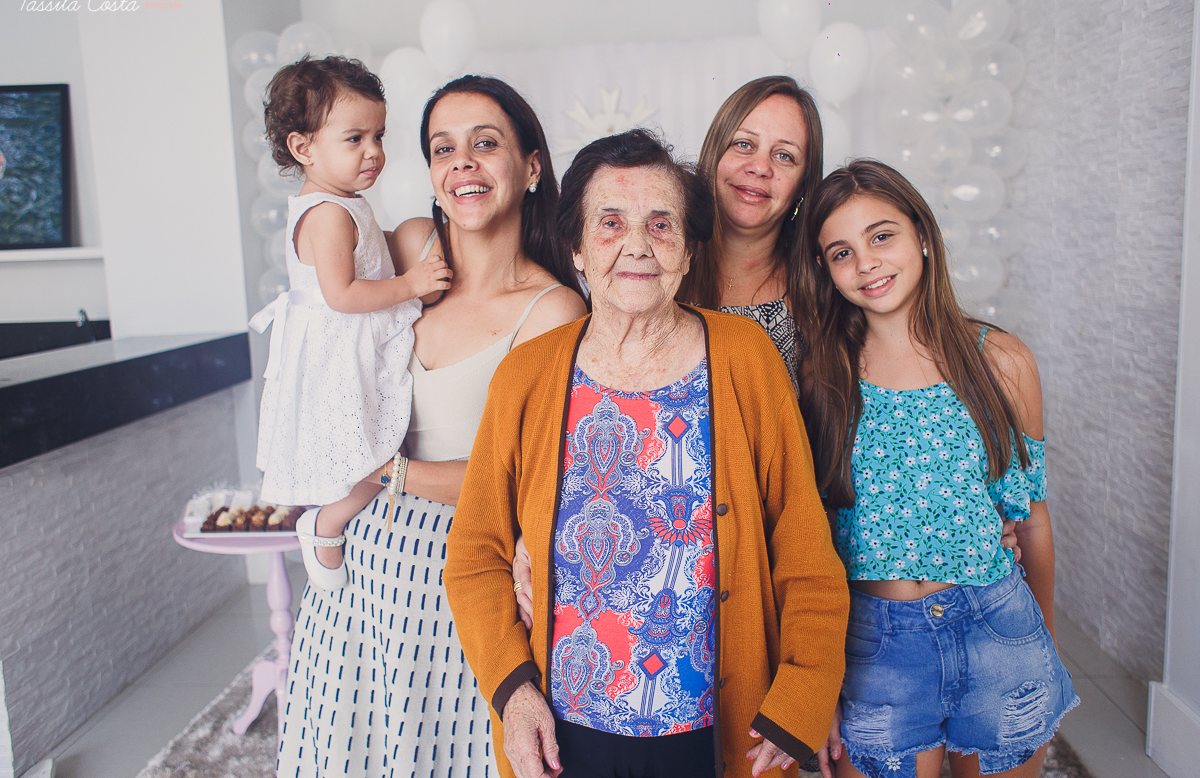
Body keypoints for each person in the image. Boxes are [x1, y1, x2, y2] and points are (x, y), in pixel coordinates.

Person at [444, 129, 849, 778]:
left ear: (689, 251)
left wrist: (805, 688)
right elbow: (474, 556)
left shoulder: (747, 360)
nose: (636, 244)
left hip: (713, 732)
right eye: (610, 223)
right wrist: (511, 690)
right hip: (562, 730)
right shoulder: (526, 375)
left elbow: (802, 544)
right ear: (576, 246)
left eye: (661, 224)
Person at [275, 75, 586, 778]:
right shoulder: (413, 248)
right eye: (444, 149)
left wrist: (385, 469)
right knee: (349, 744)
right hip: (359, 564)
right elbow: (327, 264)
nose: (463, 164)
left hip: (458, 568)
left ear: (532, 166)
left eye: (486, 144)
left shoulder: (553, 310)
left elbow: (527, 482)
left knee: (446, 750)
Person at [798, 160, 1077, 778]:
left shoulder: (1001, 361)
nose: (866, 262)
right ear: (824, 269)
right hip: (876, 647)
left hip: (998, 629)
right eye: (841, 252)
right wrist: (814, 683)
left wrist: (1045, 649)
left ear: (922, 234)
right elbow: (807, 542)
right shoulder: (822, 378)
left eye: (881, 235)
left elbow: (1030, 523)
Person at [251, 55, 452, 590]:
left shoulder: (343, 203)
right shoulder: (328, 214)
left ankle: (338, 519)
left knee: (378, 444)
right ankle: (326, 522)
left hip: (351, 342)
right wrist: (411, 285)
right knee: (377, 451)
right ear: (303, 147)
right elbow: (342, 294)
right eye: (355, 138)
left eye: (379, 135)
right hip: (340, 351)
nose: (374, 152)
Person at [678, 75, 825, 391]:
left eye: (784, 155)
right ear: (714, 154)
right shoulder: (656, 268)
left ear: (802, 185)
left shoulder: (820, 292)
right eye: (744, 144)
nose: (760, 167)